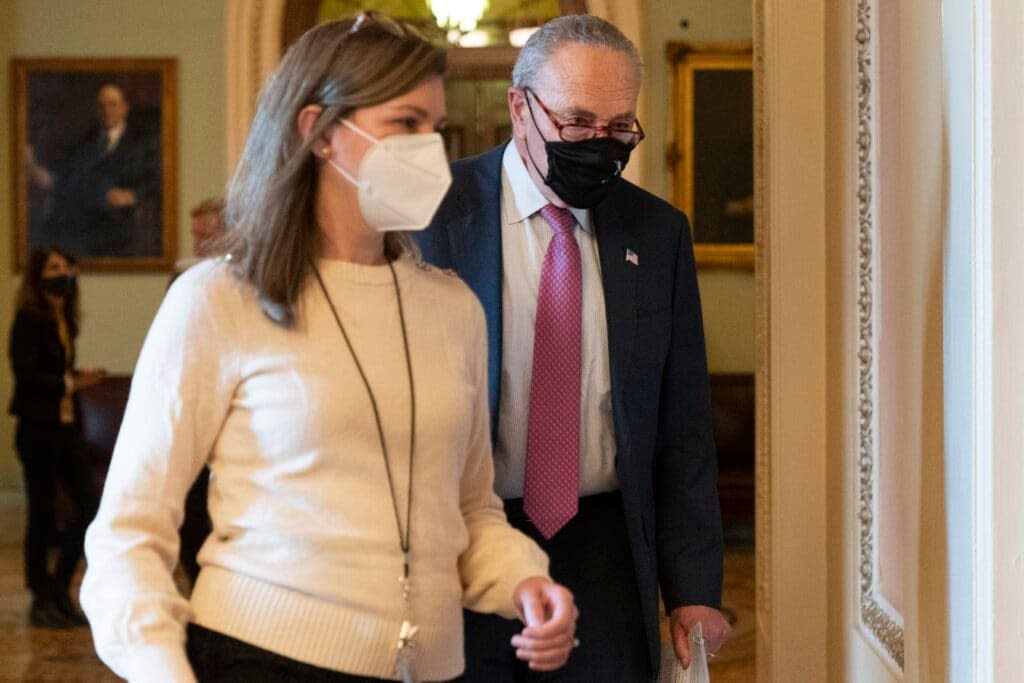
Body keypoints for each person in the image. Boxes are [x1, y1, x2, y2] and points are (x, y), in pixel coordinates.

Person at [81, 13, 576, 683]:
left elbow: (468, 510)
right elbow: (127, 535)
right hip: (264, 659)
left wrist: (523, 580)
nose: (431, 148)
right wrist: (161, 668)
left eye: (435, 126)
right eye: (406, 124)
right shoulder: (218, 299)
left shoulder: (453, 306)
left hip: (433, 667)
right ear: (318, 130)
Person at [417, 14, 731, 682]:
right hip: (465, 541)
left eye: (618, 127)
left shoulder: (658, 232)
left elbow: (684, 427)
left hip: (607, 547)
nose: (599, 143)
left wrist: (695, 587)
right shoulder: (430, 216)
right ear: (518, 106)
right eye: (578, 121)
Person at [8, 247, 103, 628]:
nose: (62, 273)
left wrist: (77, 374)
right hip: (37, 429)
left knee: (89, 506)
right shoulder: (29, 318)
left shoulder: (64, 318)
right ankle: (41, 597)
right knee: (42, 517)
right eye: (53, 267)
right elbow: (27, 376)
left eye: (66, 266)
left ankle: (59, 587)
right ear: (37, 275)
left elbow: (55, 370)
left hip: (64, 429)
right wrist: (71, 381)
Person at [26, 83, 160, 257]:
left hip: (123, 224)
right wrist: (35, 170)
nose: (107, 111)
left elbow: (155, 180)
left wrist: (132, 195)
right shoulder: (84, 142)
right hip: (84, 222)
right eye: (102, 105)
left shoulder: (142, 143)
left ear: (124, 108)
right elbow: (66, 177)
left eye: (112, 104)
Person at [170, 197, 225, 588]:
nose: (199, 244)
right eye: (196, 236)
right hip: (192, 412)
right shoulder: (183, 282)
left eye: (208, 235)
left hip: (230, 414)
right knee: (189, 515)